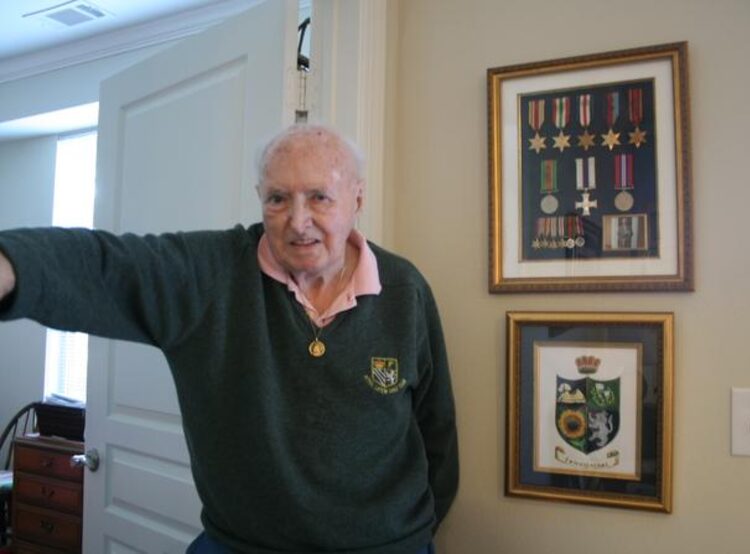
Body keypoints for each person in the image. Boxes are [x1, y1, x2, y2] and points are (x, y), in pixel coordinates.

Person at [0, 124, 458, 554]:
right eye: (279, 199)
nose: (299, 222)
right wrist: (11, 264)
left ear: (357, 197)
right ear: (260, 198)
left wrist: (410, 533)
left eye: (320, 197)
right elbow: (110, 268)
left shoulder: (405, 290)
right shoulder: (209, 275)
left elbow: (436, 429)